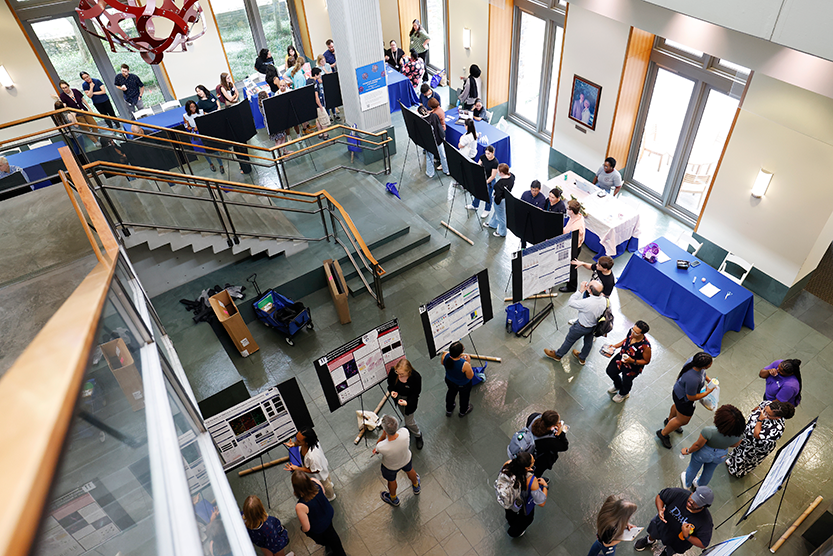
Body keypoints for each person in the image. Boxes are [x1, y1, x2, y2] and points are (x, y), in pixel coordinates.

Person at [656, 353, 716, 449]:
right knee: (682, 420)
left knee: (677, 407)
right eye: (710, 363)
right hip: (684, 400)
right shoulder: (693, 379)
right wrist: (707, 392)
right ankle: (663, 434)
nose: (711, 364)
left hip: (678, 393)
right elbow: (691, 397)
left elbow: (703, 372)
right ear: (705, 366)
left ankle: (669, 420)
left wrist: (708, 379)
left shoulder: (693, 361)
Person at [680, 404, 744, 489]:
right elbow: (735, 444)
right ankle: (699, 485)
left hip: (704, 453)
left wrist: (688, 451)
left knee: (693, 468)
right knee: (709, 471)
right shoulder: (739, 435)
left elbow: (698, 445)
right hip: (721, 455)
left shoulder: (709, 431)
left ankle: (687, 483)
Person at [634, 486, 713, 555]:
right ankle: (649, 540)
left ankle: (665, 552)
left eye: (697, 502)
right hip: (662, 525)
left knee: (670, 551)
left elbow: (703, 543)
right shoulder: (679, 493)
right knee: (653, 532)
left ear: (704, 506)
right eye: (693, 497)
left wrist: (687, 536)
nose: (692, 501)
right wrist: (660, 510)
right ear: (693, 492)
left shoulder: (706, 522)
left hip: (678, 541)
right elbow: (661, 496)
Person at [726, 400, 795, 478]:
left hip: (756, 447)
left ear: (777, 418)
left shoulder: (777, 429)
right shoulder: (767, 404)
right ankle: (732, 460)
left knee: (746, 458)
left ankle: (736, 471)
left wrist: (760, 419)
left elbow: (756, 435)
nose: (763, 413)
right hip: (746, 437)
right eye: (764, 410)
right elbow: (758, 407)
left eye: (767, 414)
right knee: (739, 449)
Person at [545, 280, 606, 365]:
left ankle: (558, 355)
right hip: (594, 326)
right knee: (588, 343)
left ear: (590, 290)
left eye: (588, 285)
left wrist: (580, 290)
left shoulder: (586, 303)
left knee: (569, 340)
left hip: (581, 327)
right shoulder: (604, 300)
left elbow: (571, 302)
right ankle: (582, 358)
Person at [291, 471, 345, 556]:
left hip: (318, 526)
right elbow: (323, 492)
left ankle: (331, 548)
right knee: (332, 535)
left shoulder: (301, 506)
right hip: (328, 513)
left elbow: (307, 527)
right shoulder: (315, 481)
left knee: (324, 540)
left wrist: (303, 530)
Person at [373, 414, 420, 507]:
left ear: (385, 430)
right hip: (406, 459)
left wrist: (383, 435)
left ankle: (393, 499)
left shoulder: (382, 446)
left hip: (390, 467)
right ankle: (416, 486)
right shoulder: (405, 432)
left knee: (392, 480)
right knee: (410, 470)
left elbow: (377, 447)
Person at [499, 452, 547, 537]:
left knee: (510, 512)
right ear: (527, 468)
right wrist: (545, 486)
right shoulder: (530, 480)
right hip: (521, 502)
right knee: (526, 519)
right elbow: (541, 502)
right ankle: (514, 532)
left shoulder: (507, 464)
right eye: (532, 461)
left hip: (508, 498)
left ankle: (510, 521)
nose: (534, 461)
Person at [605, 320, 652, 403]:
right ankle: (618, 385)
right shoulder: (631, 332)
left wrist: (632, 361)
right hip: (621, 357)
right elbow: (626, 340)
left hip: (632, 366)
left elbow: (646, 361)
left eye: (636, 332)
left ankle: (624, 393)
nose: (633, 333)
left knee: (627, 381)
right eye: (633, 330)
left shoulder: (645, 346)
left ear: (642, 334)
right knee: (610, 371)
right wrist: (615, 346)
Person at [284, 428, 335, 501]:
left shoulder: (313, 456)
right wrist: (294, 444)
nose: (296, 442)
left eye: (298, 441)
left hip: (319, 474)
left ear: (306, 442)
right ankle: (330, 483)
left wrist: (297, 468)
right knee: (327, 479)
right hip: (320, 466)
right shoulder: (309, 443)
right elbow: (299, 444)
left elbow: (316, 471)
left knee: (326, 484)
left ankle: (331, 496)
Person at [387, 358, 424, 450]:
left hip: (409, 401)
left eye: (402, 374)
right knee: (404, 414)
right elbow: (390, 384)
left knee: (409, 421)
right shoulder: (393, 372)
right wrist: (392, 392)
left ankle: (418, 434)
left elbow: (416, 393)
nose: (399, 375)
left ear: (408, 371)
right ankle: (410, 428)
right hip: (399, 399)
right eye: (398, 373)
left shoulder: (416, 377)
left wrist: (407, 403)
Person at [183, 99, 224, 173]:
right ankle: (211, 164)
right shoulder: (185, 116)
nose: (193, 109)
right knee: (204, 151)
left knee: (214, 149)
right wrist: (193, 128)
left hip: (205, 132)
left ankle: (221, 164)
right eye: (191, 107)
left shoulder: (201, 112)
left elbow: (208, 118)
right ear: (188, 108)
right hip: (197, 134)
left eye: (194, 107)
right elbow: (187, 126)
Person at [525, 410, 569, 478]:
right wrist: (561, 433)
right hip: (539, 459)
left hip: (526, 445)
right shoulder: (550, 441)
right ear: (552, 427)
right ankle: (536, 481)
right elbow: (564, 446)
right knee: (537, 473)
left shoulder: (534, 416)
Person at [559, 200, 587, 292]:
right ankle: (566, 278)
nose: (566, 210)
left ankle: (572, 286)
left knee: (572, 266)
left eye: (568, 209)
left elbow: (574, 240)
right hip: (571, 244)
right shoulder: (575, 217)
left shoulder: (577, 226)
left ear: (572, 211)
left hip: (573, 248)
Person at [442, 341, 474, 417]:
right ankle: (463, 411)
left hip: (449, 380)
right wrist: (468, 362)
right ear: (461, 352)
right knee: (464, 398)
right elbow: (470, 376)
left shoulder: (445, 356)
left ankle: (449, 409)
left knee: (451, 393)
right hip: (462, 385)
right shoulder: (464, 364)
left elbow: (443, 363)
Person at [467, 145, 497, 218]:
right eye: (486, 153)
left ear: (493, 153)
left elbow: (493, 176)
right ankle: (475, 205)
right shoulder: (483, 157)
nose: (487, 155)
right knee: (478, 192)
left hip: (490, 181)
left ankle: (487, 210)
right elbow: (478, 165)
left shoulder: (495, 162)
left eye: (489, 154)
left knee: (488, 196)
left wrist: (485, 182)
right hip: (482, 178)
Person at [484, 163, 514, 237]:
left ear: (502, 173)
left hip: (500, 201)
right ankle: (492, 224)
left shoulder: (499, 184)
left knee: (501, 216)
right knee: (497, 213)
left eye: (498, 171)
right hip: (506, 198)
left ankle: (502, 232)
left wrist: (496, 202)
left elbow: (498, 196)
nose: (497, 172)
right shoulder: (512, 177)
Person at [423, 98, 449, 178]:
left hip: (434, 139)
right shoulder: (438, 111)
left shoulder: (433, 117)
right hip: (440, 137)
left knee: (430, 156)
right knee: (443, 155)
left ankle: (430, 172)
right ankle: (446, 170)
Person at [258, 91, 289, 155]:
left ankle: (284, 151)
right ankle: (279, 154)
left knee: (281, 137)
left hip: (270, 124)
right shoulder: (267, 104)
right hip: (273, 123)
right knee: (279, 139)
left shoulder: (260, 105)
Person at [309, 67, 329, 139]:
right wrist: (320, 106)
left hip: (312, 105)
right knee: (323, 119)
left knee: (317, 119)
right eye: (319, 74)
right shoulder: (315, 84)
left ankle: (320, 133)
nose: (320, 75)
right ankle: (325, 134)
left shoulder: (308, 81)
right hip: (318, 104)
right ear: (316, 75)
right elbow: (316, 96)